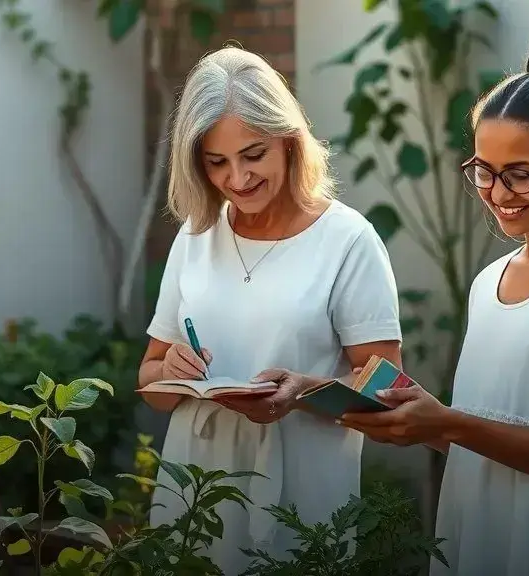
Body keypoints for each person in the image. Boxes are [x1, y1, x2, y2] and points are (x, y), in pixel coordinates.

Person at [340, 29, 529, 576]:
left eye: (520, 174)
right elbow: (492, 437)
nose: (499, 192)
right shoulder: (490, 282)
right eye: (484, 170)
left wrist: (453, 423)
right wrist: (424, 420)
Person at [136, 46, 403, 573]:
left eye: (253, 154)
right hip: (195, 496)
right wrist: (169, 372)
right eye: (217, 162)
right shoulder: (196, 237)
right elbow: (150, 383)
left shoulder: (347, 240)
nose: (237, 178)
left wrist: (300, 394)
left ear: (288, 141)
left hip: (300, 497)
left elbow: (386, 391)